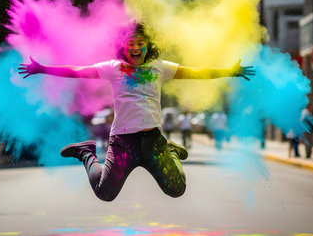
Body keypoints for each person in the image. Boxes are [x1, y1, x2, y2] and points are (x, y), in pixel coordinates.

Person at [18, 22, 254, 201]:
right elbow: (77, 70)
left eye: (140, 42)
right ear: (123, 46)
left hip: (153, 141)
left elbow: (196, 72)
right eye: (130, 43)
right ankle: (86, 153)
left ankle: (171, 151)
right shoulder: (113, 68)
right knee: (104, 193)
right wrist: (41, 68)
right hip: (123, 142)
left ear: (147, 46)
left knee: (177, 189)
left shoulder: (159, 67)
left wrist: (229, 71)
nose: (135, 47)